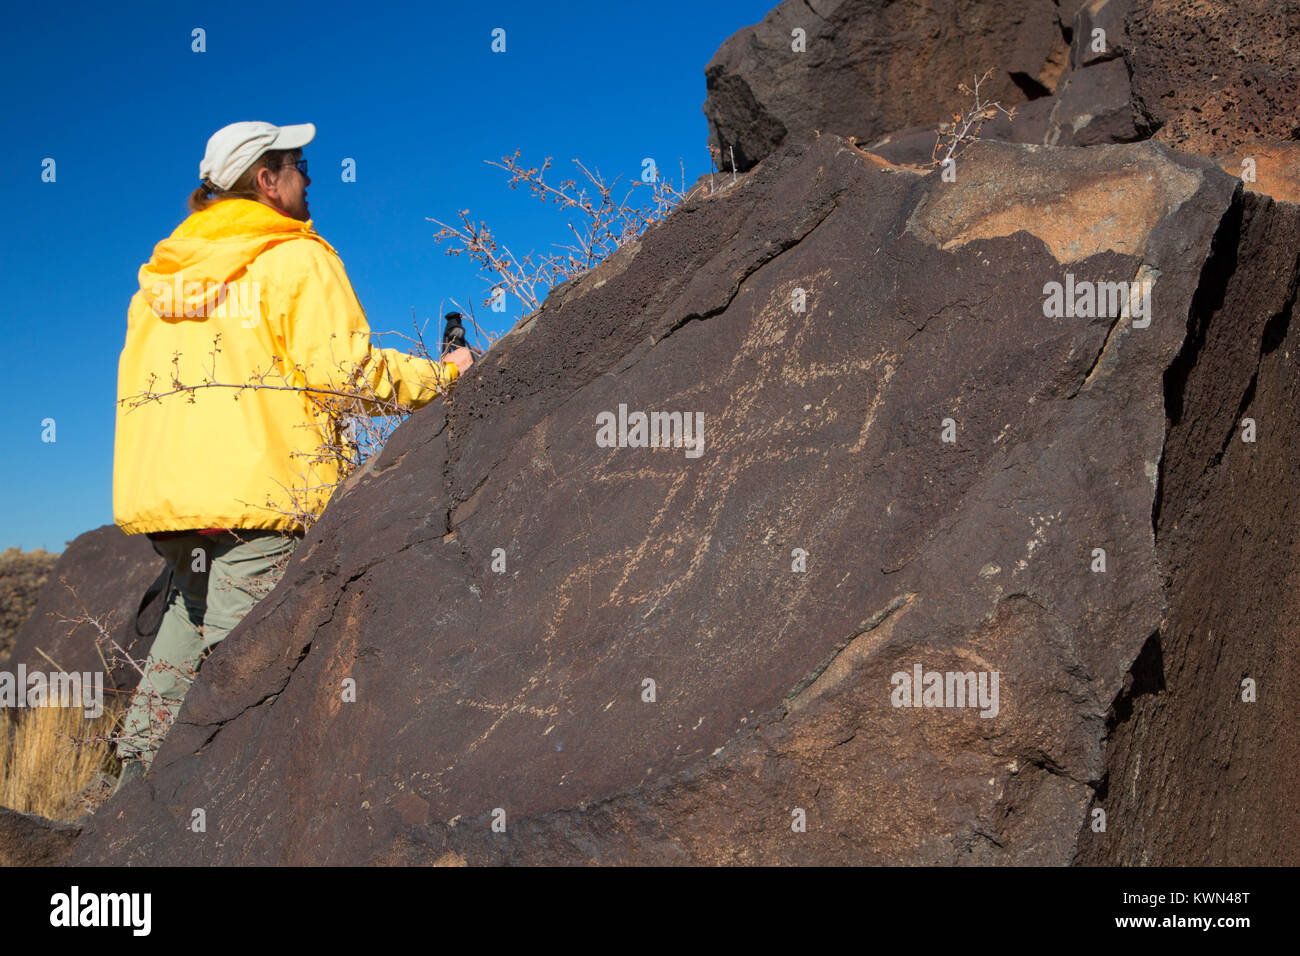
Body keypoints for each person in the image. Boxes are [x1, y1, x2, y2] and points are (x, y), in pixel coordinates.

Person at [111, 121, 473, 788]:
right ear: (267, 182)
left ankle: (122, 808)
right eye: (300, 164)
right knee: (249, 693)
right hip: (259, 503)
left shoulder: (160, 283)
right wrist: (450, 375)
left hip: (171, 509)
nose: (312, 177)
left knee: (184, 645)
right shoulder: (294, 258)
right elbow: (345, 375)